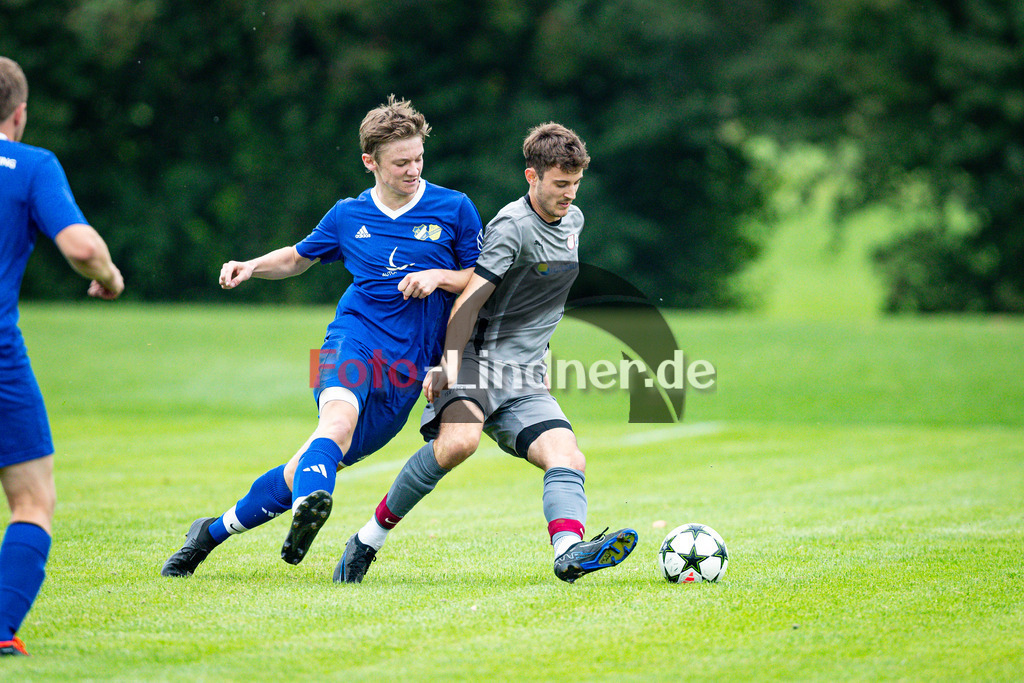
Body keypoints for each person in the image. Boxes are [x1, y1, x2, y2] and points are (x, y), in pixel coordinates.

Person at [161, 96, 482, 577]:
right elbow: (297, 257)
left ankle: (208, 533)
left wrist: (438, 276)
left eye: (418, 158)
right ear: (370, 162)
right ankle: (313, 502)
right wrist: (251, 266)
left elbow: (479, 281)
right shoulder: (347, 215)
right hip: (353, 338)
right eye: (401, 162)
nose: (413, 169)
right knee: (335, 421)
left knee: (302, 467)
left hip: (410, 367)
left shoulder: (454, 208)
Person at [336, 122, 637, 585]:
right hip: (475, 359)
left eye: (576, 184)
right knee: (458, 444)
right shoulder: (510, 228)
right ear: (531, 177)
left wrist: (544, 355)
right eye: (560, 184)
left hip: (525, 375)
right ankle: (366, 541)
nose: (570, 195)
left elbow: (539, 299)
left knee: (568, 457)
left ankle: (569, 552)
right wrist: (449, 364)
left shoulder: (574, 222)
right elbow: (471, 297)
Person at [0, 57, 125, 657]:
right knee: (31, 500)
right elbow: (79, 244)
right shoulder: (30, 166)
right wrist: (108, 276)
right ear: (19, 114)